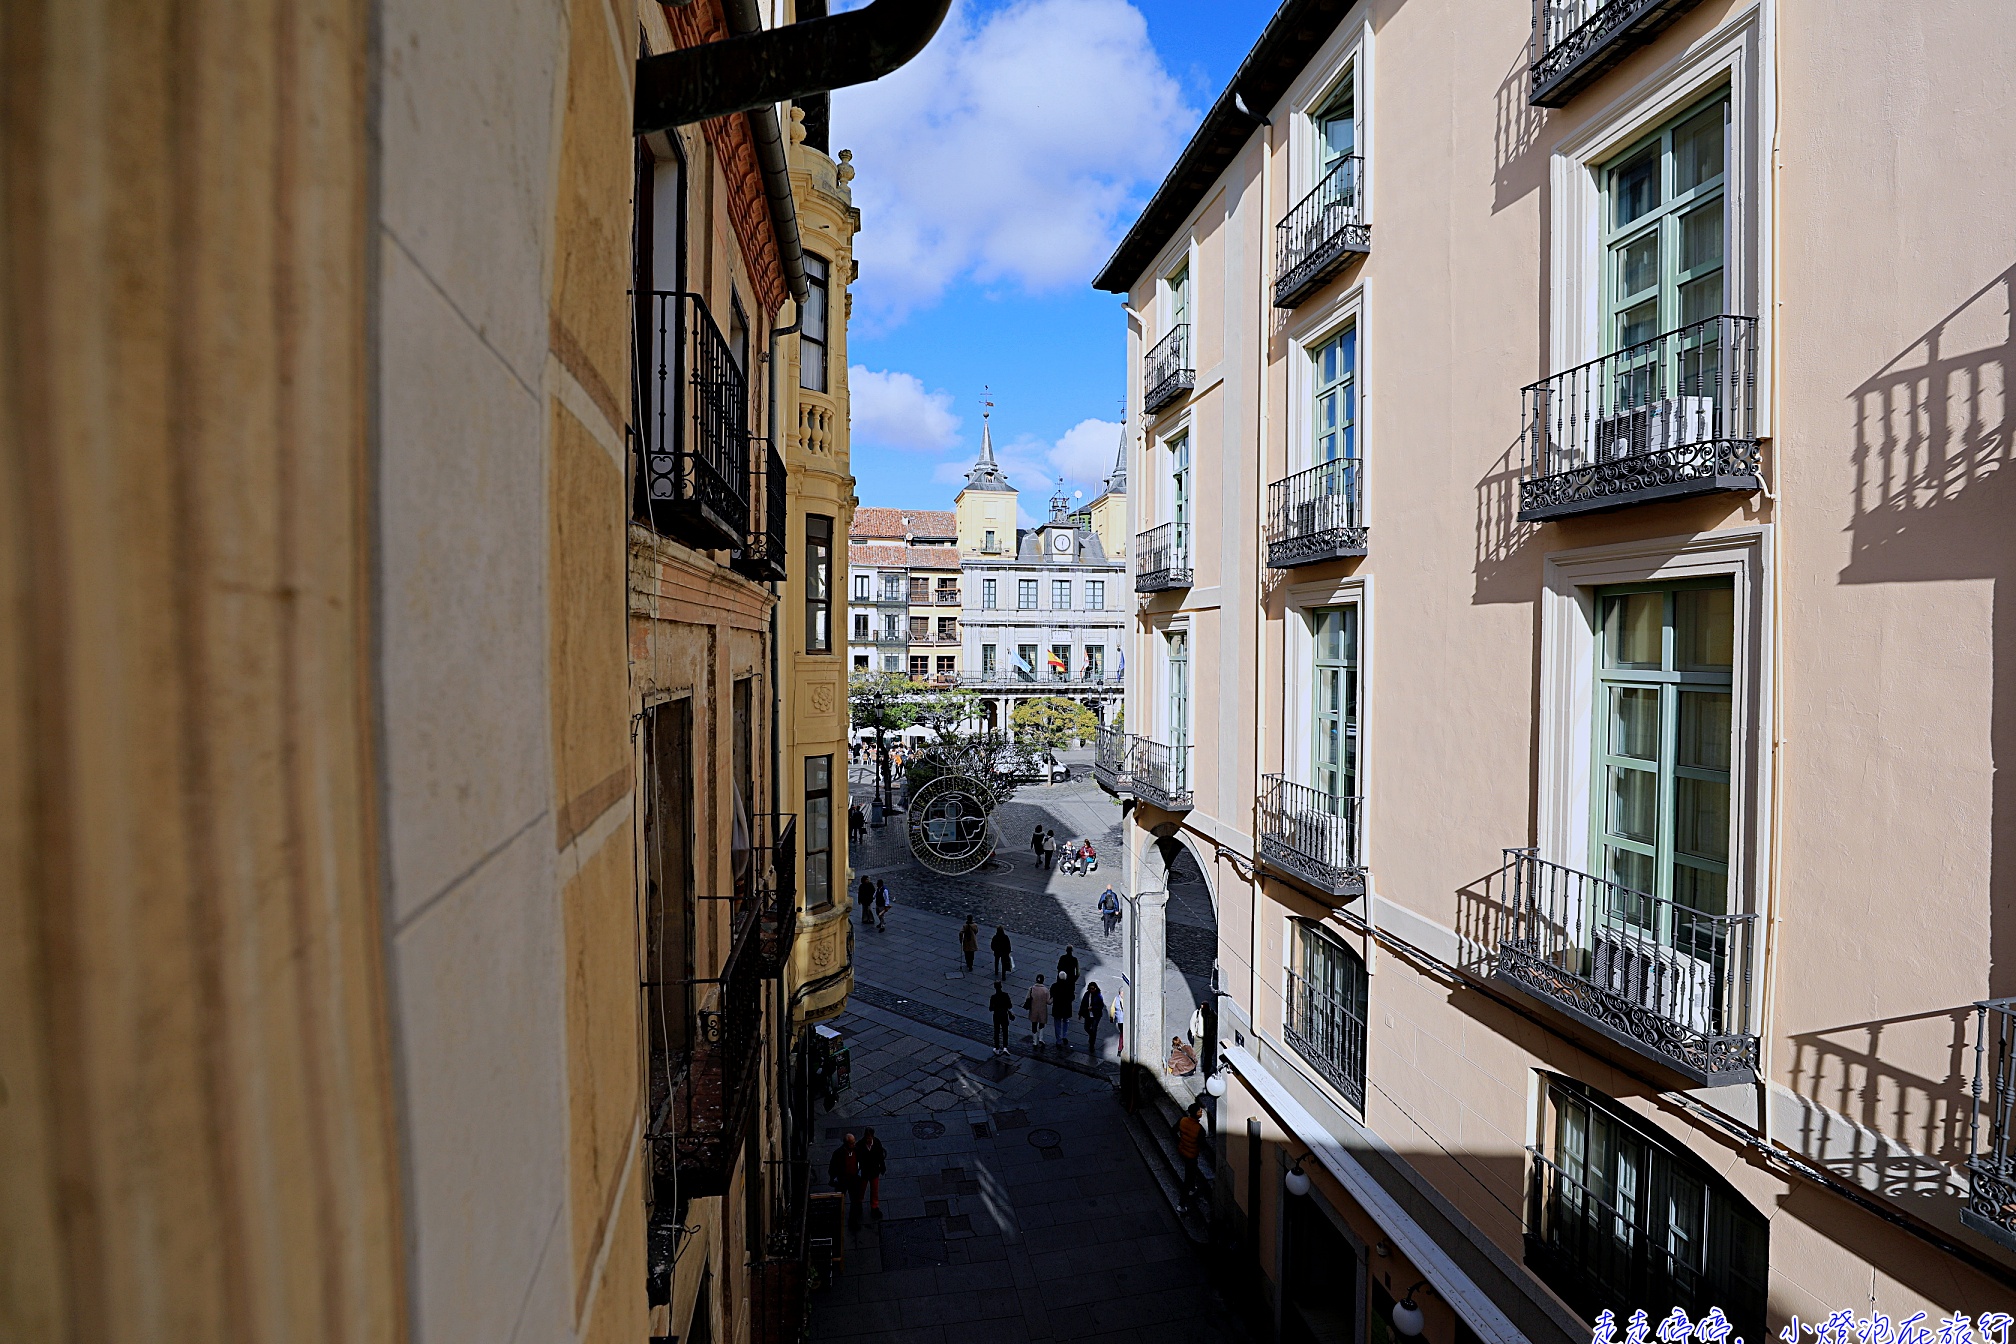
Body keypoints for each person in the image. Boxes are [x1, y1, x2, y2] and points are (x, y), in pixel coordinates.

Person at [828, 1133, 864, 1228]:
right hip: (842, 1180)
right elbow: (832, 1168)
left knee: (855, 1200)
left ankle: (853, 1221)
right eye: (852, 1143)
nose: (854, 1144)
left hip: (854, 1179)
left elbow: (861, 1161)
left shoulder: (857, 1150)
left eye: (854, 1142)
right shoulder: (838, 1153)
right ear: (846, 1143)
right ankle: (837, 1220)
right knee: (839, 1200)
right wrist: (834, 1178)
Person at [1175, 1102, 1208, 1209]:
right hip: (1191, 1155)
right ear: (1195, 1113)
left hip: (1182, 1150)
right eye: (1199, 1111)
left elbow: (1173, 1130)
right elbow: (1202, 1144)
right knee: (1188, 1178)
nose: (1201, 1111)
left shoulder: (1182, 1120)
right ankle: (1181, 1204)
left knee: (1192, 1170)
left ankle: (1192, 1187)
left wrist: (1182, 1141)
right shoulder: (1199, 1129)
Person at [858, 1127, 888, 1220]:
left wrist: (882, 1166)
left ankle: (874, 1207)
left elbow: (880, 1156)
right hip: (864, 1172)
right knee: (861, 1189)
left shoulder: (877, 1143)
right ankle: (859, 1204)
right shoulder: (859, 1145)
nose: (867, 1140)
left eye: (869, 1138)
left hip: (874, 1171)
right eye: (866, 1138)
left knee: (874, 1190)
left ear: (872, 1136)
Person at [1079, 980, 1106, 1056]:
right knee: (1086, 1027)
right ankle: (1092, 1036)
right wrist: (1080, 1013)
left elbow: (1101, 1006)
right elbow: (1083, 1003)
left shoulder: (1098, 995)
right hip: (1088, 1015)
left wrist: (1093, 1007)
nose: (1092, 990)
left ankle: (1092, 1044)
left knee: (1094, 1029)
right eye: (1090, 988)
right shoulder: (1087, 994)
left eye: (1093, 988)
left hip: (1096, 1016)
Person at [1050, 968, 1075, 1048]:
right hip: (1066, 1008)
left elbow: (1051, 995)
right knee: (1066, 1021)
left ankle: (1058, 1040)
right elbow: (1072, 997)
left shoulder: (1054, 986)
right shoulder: (1069, 986)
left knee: (1057, 1024)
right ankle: (1064, 1036)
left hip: (1057, 1008)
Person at [1024, 974, 1050, 1048]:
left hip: (1034, 1009)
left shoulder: (1031, 989)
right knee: (1042, 1023)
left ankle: (1035, 1041)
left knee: (1034, 1024)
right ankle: (1041, 1038)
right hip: (1042, 1010)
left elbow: (1027, 998)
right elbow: (1048, 1002)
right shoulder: (1045, 990)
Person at [989, 981, 1014, 1055]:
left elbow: (990, 1008)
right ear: (1001, 986)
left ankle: (997, 1048)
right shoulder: (1005, 995)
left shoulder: (993, 997)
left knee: (996, 1031)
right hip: (1004, 1015)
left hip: (996, 1015)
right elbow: (1010, 1006)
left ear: (994, 987)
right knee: (1005, 1031)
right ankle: (1005, 1047)